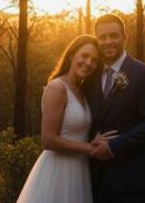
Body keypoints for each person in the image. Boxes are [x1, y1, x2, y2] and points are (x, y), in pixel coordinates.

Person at [16, 35, 117, 203]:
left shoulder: (81, 91)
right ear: (71, 55)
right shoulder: (57, 87)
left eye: (94, 60)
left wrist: (94, 141)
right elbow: (48, 140)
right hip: (58, 171)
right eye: (84, 56)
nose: (88, 63)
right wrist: (90, 148)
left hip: (79, 170)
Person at [85, 13, 145, 203]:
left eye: (114, 36)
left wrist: (112, 147)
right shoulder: (90, 76)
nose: (108, 41)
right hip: (97, 180)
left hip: (134, 179)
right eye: (102, 37)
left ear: (124, 38)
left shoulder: (143, 73)